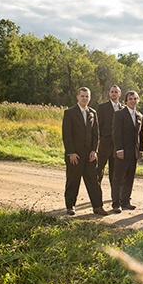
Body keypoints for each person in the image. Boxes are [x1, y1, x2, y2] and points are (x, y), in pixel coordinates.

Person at [62, 87, 108, 216]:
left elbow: (96, 134)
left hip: (90, 156)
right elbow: (67, 135)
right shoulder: (69, 113)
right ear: (77, 97)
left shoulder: (92, 113)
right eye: (82, 96)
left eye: (87, 96)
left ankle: (98, 207)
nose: (85, 98)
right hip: (75, 155)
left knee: (94, 182)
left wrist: (94, 150)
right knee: (73, 181)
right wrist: (70, 152)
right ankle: (70, 206)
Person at [111, 90, 143, 211]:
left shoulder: (139, 115)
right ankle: (116, 203)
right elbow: (116, 133)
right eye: (130, 99)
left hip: (134, 153)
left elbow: (141, 135)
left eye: (135, 98)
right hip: (122, 151)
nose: (133, 101)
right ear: (126, 101)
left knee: (130, 178)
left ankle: (126, 201)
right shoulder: (120, 114)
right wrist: (119, 149)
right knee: (118, 178)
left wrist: (141, 150)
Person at [96, 84, 122, 186]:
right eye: (112, 92)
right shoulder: (102, 107)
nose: (114, 93)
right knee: (99, 168)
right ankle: (96, 193)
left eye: (116, 92)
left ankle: (115, 196)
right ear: (109, 93)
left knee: (115, 171)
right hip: (105, 143)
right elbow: (98, 126)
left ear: (120, 94)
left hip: (118, 146)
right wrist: (99, 140)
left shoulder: (123, 108)